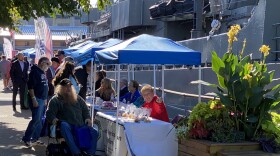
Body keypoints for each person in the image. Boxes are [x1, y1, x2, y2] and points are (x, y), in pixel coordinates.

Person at [46, 78, 98, 156]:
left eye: (70, 86)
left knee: (94, 131)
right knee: (63, 125)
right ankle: (77, 153)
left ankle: (90, 153)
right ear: (60, 88)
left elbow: (85, 109)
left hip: (80, 124)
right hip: (68, 125)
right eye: (66, 87)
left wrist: (87, 118)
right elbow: (49, 114)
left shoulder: (77, 98)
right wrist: (55, 120)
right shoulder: (55, 100)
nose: (68, 88)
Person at [21, 57, 51, 147]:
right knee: (36, 120)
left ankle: (35, 138)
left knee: (39, 120)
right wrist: (34, 99)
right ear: (42, 63)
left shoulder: (42, 72)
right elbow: (31, 87)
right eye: (47, 64)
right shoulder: (34, 72)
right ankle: (26, 139)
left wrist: (45, 99)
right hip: (37, 98)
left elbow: (44, 86)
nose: (48, 66)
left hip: (42, 99)